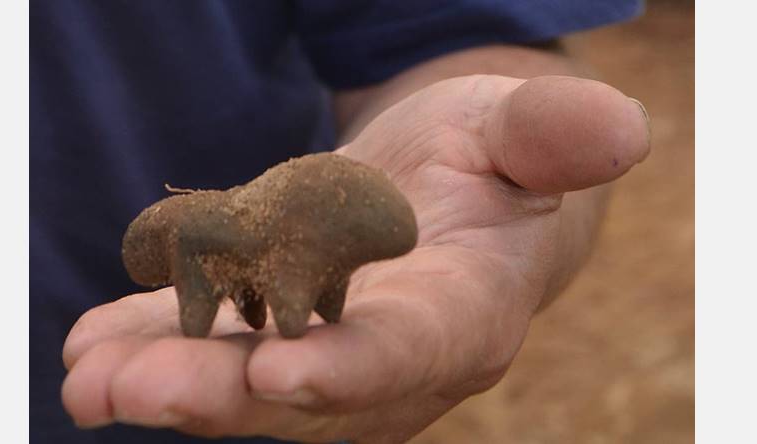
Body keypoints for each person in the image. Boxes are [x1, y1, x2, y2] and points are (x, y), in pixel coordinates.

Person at [32, 1, 650, 443]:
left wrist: (485, 178)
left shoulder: (317, 225)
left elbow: (454, 29)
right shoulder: (217, 234)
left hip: (251, 404)